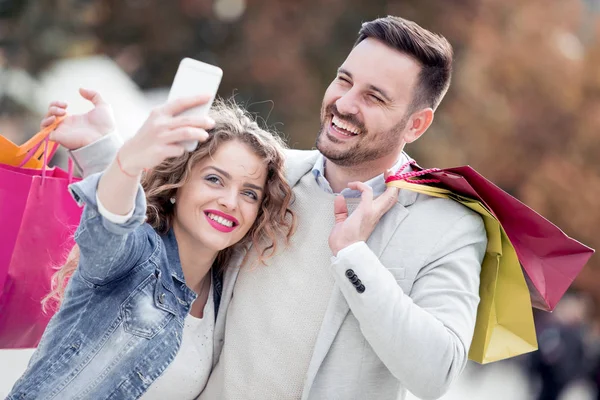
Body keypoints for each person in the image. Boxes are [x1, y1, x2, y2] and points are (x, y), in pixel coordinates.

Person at [38, 15, 487, 400]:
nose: (344, 104)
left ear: (417, 123)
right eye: (344, 81)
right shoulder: (271, 175)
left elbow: (437, 373)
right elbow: (173, 209)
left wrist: (354, 260)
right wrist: (104, 151)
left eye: (374, 97)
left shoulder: (448, 225)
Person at [7, 93, 296, 399]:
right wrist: (124, 158)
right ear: (177, 184)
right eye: (214, 179)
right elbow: (113, 222)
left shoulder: (223, 292)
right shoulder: (134, 256)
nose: (230, 201)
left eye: (249, 193)